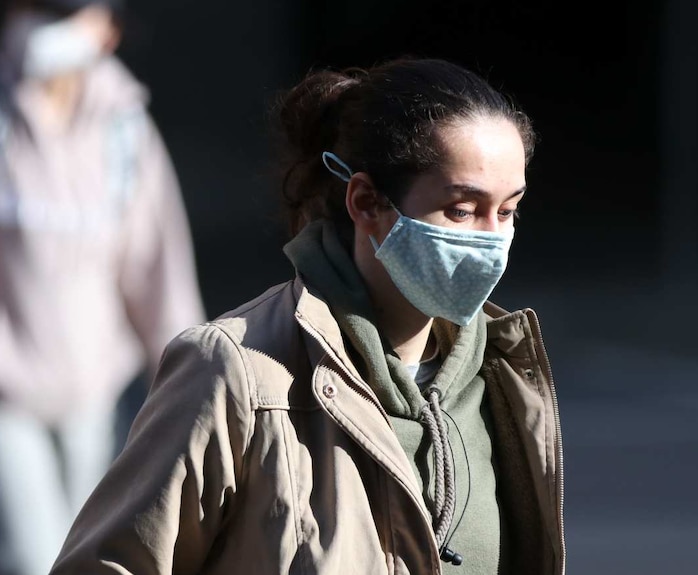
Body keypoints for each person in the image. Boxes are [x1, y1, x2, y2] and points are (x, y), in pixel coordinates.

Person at [48, 55, 565, 575]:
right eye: (460, 209)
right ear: (365, 203)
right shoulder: (238, 371)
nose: (491, 239)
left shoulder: (502, 377)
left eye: (507, 211)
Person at [0, 0, 206, 574]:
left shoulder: (124, 128)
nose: (47, 27)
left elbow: (156, 271)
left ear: (109, 28)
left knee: (97, 554)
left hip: (96, 395)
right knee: (32, 557)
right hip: (7, 398)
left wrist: (186, 385)